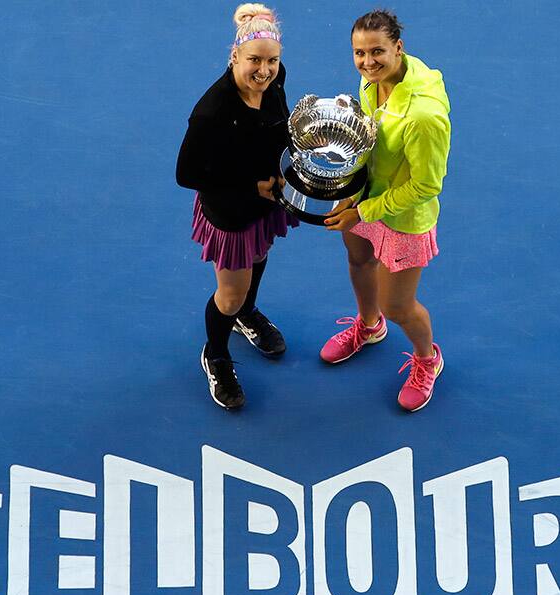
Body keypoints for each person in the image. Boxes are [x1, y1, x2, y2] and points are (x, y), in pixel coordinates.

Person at [322, 9, 451, 412]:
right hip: (363, 199)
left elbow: (427, 186)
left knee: (398, 305)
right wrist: (347, 189)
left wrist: (364, 212)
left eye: (377, 52)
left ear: (399, 47)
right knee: (358, 263)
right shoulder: (371, 82)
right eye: (359, 53)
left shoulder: (424, 117)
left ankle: (428, 359)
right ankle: (369, 325)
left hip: (402, 219)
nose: (367, 62)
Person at [176, 3, 294, 410]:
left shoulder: (274, 84)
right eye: (254, 61)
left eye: (272, 61)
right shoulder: (211, 112)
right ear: (234, 58)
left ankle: (247, 314)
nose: (264, 71)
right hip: (230, 212)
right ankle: (217, 355)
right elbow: (187, 174)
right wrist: (251, 185)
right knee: (229, 294)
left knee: (260, 255)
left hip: (266, 201)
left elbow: (278, 131)